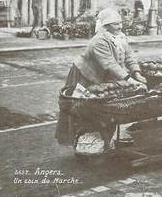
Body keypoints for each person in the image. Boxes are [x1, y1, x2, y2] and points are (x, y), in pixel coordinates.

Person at [55, 8, 147, 150]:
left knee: (105, 111)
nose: (120, 26)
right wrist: (130, 79)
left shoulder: (120, 37)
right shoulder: (99, 41)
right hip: (85, 76)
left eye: (121, 23)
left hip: (102, 77)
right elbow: (110, 64)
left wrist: (137, 72)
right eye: (116, 24)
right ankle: (86, 146)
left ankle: (102, 144)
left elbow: (129, 55)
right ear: (106, 25)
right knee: (85, 111)